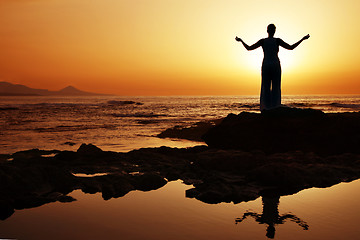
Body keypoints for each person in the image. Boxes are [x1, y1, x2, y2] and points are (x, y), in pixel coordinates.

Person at [235, 24, 310, 111]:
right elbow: (291, 47)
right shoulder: (277, 41)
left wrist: (241, 41)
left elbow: (249, 48)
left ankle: (265, 108)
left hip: (266, 64)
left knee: (265, 87)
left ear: (267, 31)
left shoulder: (263, 41)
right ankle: (275, 107)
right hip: (275, 64)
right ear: (274, 31)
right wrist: (302, 39)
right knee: (276, 87)